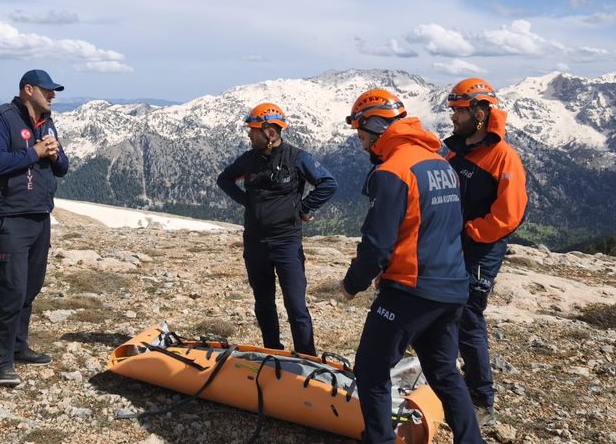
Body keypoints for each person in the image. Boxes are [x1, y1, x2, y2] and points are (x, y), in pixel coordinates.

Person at [339, 88, 484, 444]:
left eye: (362, 135)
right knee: (444, 372)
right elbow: (437, 227)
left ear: (375, 127)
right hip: (451, 288)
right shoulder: (441, 164)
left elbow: (377, 244)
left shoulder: (392, 171)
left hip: (411, 292)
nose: (361, 145)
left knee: (371, 371)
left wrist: (351, 283)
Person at [217, 102, 337, 356]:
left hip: (286, 243)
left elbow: (328, 183)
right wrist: (247, 202)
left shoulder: (297, 158)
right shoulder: (248, 159)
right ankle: (273, 352)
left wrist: (303, 207)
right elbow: (224, 179)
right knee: (263, 304)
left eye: (253, 130)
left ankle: (307, 357)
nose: (249, 135)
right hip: (255, 243)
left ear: (270, 132)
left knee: (296, 306)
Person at [444, 78, 527, 426]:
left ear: (479, 112)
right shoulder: (453, 151)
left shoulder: (502, 155)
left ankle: (481, 397)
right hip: (451, 246)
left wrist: (472, 232)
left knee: (468, 318)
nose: (453, 118)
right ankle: (451, 384)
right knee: (444, 311)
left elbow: (510, 214)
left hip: (480, 251)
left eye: (458, 112)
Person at [0, 69, 70, 387]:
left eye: (54, 91)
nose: (52, 95)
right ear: (27, 90)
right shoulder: (0, 120)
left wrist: (56, 155)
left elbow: (62, 168)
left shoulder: (46, 123)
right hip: (8, 217)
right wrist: (35, 152)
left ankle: (18, 348)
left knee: (30, 288)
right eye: (47, 90)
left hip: (39, 215)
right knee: (12, 291)